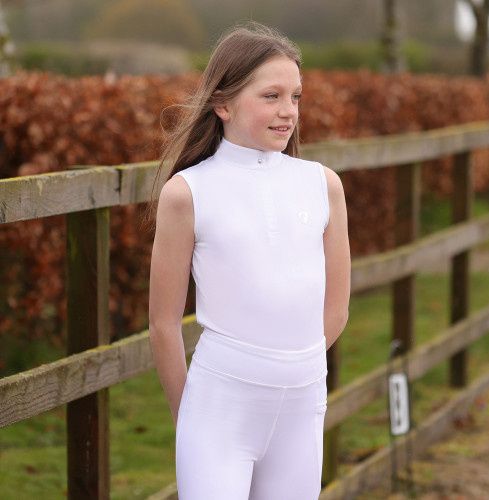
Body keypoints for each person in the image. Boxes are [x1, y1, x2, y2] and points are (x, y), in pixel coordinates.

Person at [148, 20, 351, 500]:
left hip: (302, 404)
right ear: (223, 104)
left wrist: (289, 365)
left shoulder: (323, 185)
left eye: (295, 97)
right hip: (219, 410)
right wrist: (188, 416)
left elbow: (337, 307)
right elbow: (163, 323)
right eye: (271, 96)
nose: (288, 111)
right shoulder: (187, 193)